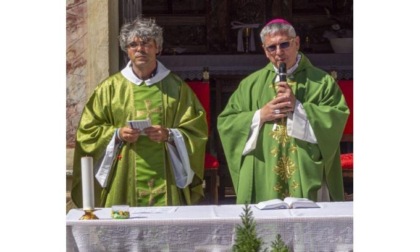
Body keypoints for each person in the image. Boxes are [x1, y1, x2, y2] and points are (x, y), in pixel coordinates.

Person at [71, 17, 208, 208]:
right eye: (133, 44)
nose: (139, 49)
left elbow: (196, 130)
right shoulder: (109, 88)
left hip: (166, 172)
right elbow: (87, 131)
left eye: (146, 44)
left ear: (157, 48)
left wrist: (169, 135)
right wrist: (117, 134)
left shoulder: (176, 88)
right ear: (127, 50)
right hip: (123, 170)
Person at [217, 18, 349, 204]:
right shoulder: (251, 84)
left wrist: (298, 107)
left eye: (284, 44)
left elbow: (335, 119)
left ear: (297, 43)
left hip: (305, 166)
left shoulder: (321, 82)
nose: (279, 52)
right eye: (272, 47)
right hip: (264, 167)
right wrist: (259, 115)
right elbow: (226, 122)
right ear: (264, 50)